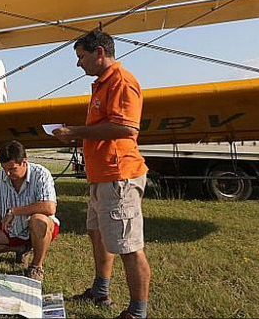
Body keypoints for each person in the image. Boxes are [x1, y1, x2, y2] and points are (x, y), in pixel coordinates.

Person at [52, 30, 151, 319]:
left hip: (118, 176)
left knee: (128, 246)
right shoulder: (102, 84)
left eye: (81, 57)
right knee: (98, 235)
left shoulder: (121, 81)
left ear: (99, 53)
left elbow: (127, 128)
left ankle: (137, 312)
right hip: (101, 176)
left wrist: (75, 131)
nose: (78, 64)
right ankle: (101, 289)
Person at [0, 140, 60, 283]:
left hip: (39, 226)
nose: (8, 173)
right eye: (4, 169)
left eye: (12, 169)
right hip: (12, 229)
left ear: (24, 162)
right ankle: (21, 248)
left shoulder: (41, 174)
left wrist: (14, 211)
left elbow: (49, 207)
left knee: (38, 220)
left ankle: (36, 266)